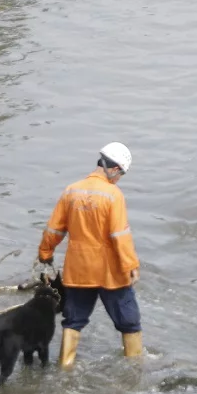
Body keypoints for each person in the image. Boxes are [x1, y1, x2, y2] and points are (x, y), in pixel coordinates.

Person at [35, 143, 143, 367]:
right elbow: (119, 235)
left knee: (73, 320)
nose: (119, 178)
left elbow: (54, 229)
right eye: (121, 173)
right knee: (129, 321)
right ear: (114, 169)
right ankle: (136, 369)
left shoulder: (72, 190)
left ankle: (65, 366)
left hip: (79, 269)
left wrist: (45, 253)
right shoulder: (113, 195)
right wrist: (131, 265)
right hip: (110, 272)